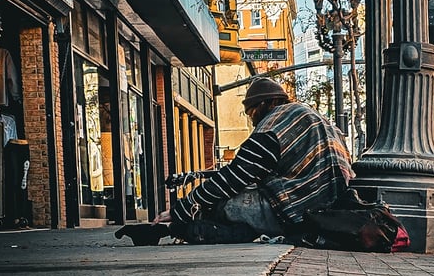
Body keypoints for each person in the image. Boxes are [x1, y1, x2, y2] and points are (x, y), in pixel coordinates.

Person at [115, 77, 355, 246]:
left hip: (297, 210)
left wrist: (183, 207)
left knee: (223, 205)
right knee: (242, 222)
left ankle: (168, 228)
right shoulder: (314, 117)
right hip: (327, 210)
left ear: (264, 104)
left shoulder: (274, 124)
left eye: (250, 112)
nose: (252, 120)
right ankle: (181, 231)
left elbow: (234, 177)